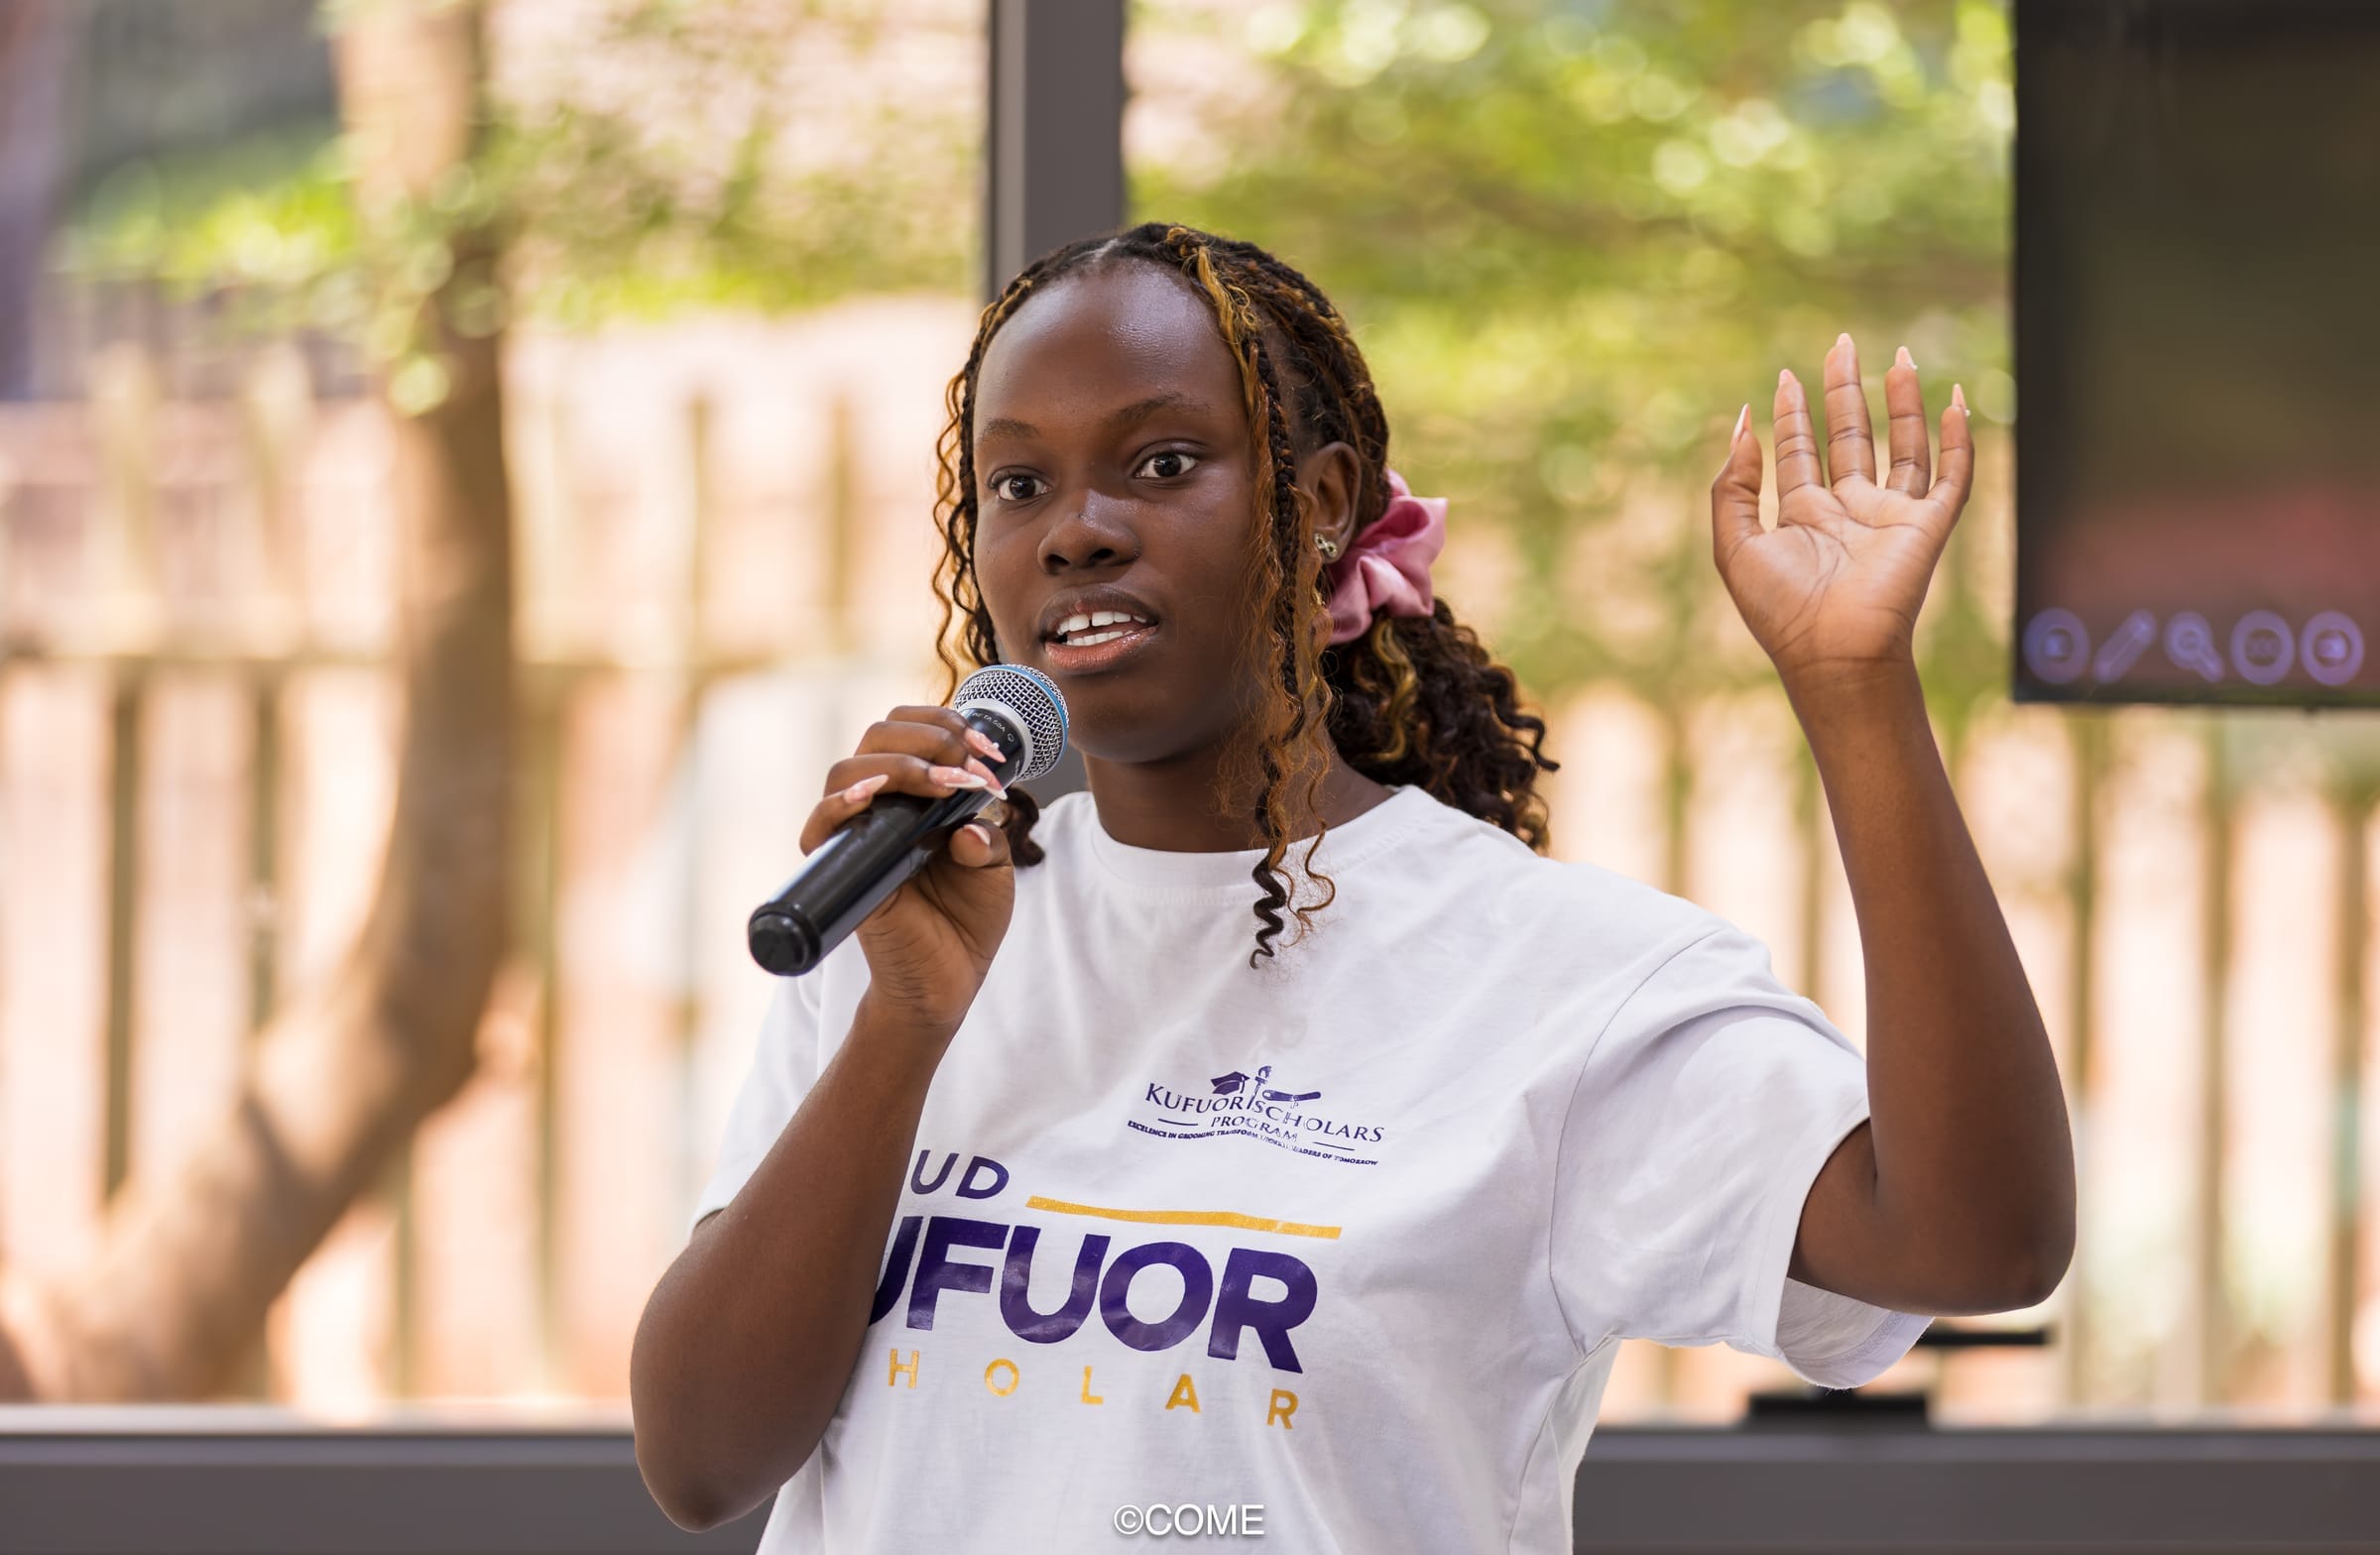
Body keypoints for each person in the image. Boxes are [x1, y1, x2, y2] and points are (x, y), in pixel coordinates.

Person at [628, 222, 2075, 1552]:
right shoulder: (904, 929)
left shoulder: (1556, 984)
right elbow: (702, 1462)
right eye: (1020, 484)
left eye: (1163, 462)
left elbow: (1976, 1242)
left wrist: (1854, 688)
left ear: (1320, 506)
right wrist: (903, 1029)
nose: (1076, 528)